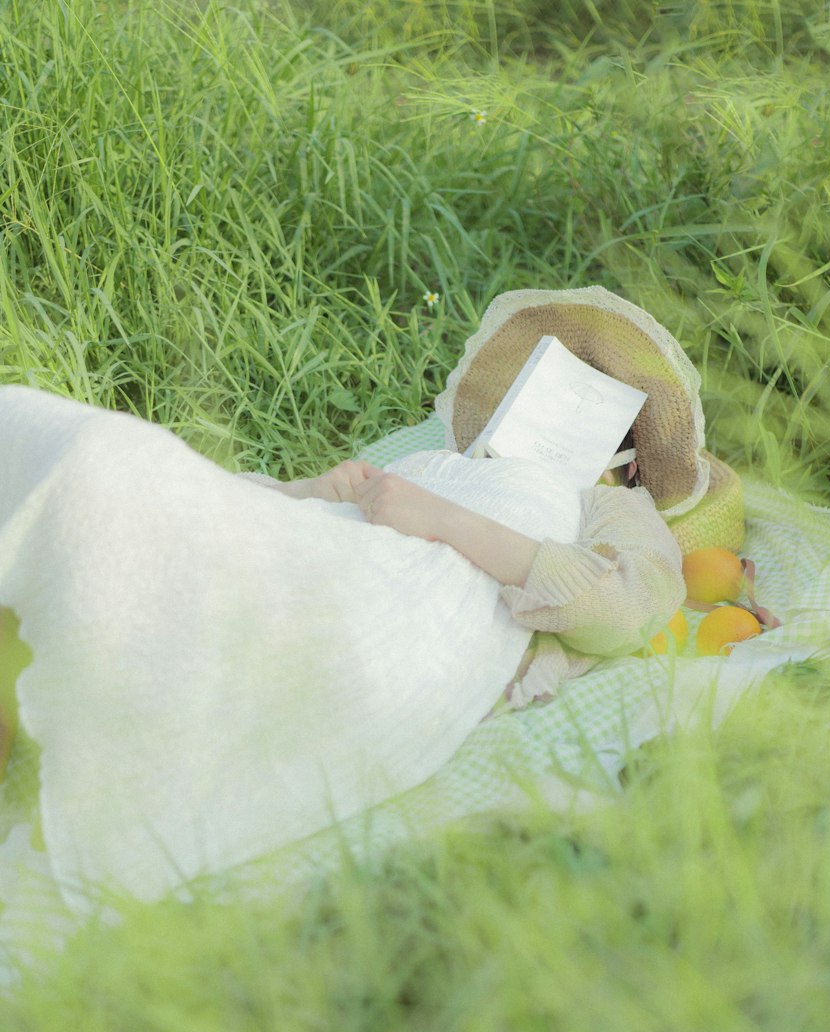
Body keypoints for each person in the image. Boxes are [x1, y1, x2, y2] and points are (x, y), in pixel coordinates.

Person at [0, 285, 742, 908]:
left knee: (97, 472)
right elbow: (246, 516)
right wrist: (314, 490)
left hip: (395, 618)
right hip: (324, 552)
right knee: (98, 468)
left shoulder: (609, 506)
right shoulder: (436, 459)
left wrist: (442, 520)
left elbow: (626, 610)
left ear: (632, 459)